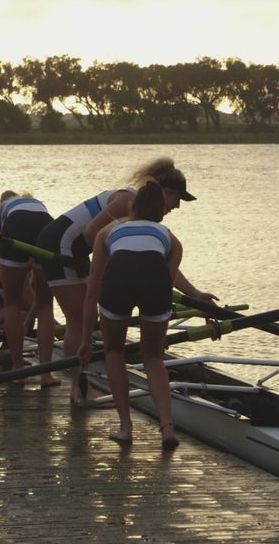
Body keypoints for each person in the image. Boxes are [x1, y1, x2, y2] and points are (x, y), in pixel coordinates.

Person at [37, 157, 216, 404]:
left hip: (78, 251)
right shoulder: (127, 201)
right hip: (60, 245)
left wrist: (194, 294)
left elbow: (163, 264)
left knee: (88, 317)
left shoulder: (142, 212)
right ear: (165, 192)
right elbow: (91, 232)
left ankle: (82, 380)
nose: (177, 207)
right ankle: (78, 388)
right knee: (79, 319)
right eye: (177, 200)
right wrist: (109, 269)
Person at [77, 180, 191, 448]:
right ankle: (167, 428)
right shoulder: (170, 238)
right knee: (153, 357)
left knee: (114, 351)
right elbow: (167, 282)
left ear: (133, 205)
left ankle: (126, 428)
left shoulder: (108, 231)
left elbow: (92, 292)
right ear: (160, 209)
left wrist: (85, 340)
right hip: (155, 285)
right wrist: (158, 333)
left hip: (118, 283)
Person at [0, 190, 60, 387]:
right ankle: (46, 374)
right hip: (47, 225)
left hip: (17, 227)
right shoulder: (36, 204)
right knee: (46, 305)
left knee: (12, 303)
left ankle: (18, 370)